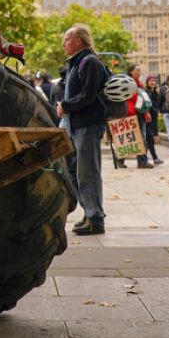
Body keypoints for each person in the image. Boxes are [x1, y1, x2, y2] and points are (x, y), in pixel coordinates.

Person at [56, 24, 110, 236]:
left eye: (67, 40)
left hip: (87, 126)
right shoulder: (77, 62)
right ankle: (89, 213)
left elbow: (88, 95)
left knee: (88, 173)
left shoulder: (90, 62)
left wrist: (65, 105)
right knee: (72, 171)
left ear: (78, 42)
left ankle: (95, 218)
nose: (63, 44)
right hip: (76, 126)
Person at [142, 75, 163, 165]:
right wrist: (156, 112)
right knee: (149, 138)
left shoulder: (154, 92)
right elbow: (148, 105)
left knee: (149, 138)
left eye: (154, 80)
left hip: (153, 118)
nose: (153, 82)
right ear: (147, 82)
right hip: (148, 117)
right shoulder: (146, 92)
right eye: (151, 80)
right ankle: (153, 157)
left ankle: (144, 158)